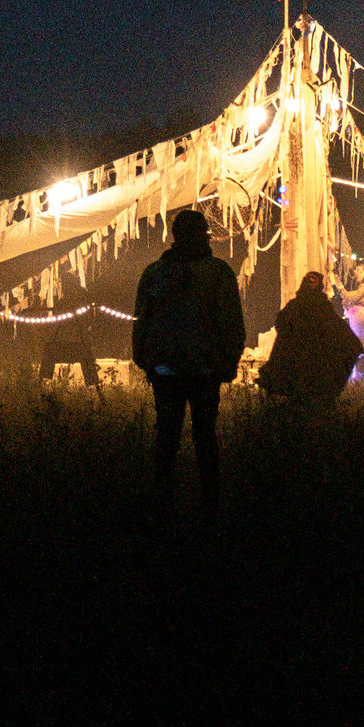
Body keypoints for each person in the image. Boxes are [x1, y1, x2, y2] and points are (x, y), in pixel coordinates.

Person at [130, 209, 248, 515]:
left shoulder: (154, 273)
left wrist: (144, 358)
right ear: (204, 235)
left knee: (166, 436)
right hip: (205, 368)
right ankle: (210, 505)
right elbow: (231, 323)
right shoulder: (218, 272)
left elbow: (141, 320)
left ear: (175, 236)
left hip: (164, 368)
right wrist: (228, 362)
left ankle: (162, 503)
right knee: (205, 436)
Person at [260, 271, 364, 406]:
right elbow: (281, 325)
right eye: (308, 282)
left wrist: (353, 344)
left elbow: (335, 327)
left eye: (312, 282)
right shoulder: (297, 306)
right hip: (299, 357)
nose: (309, 285)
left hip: (314, 356)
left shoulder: (319, 306)